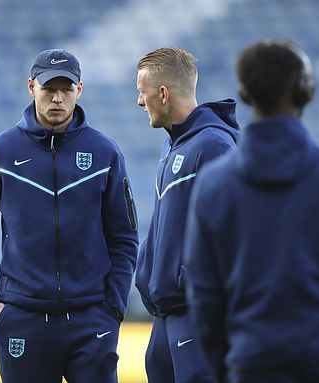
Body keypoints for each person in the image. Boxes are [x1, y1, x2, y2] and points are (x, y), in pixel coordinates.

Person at [183, 40, 319, 382]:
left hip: (250, 363)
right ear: (305, 91)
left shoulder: (214, 184)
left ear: (245, 94)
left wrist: (228, 368)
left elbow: (205, 295)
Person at [0, 48, 138, 383]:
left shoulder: (105, 153)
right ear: (31, 87)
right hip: (21, 319)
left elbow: (125, 237)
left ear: (79, 90)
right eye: (48, 88)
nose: (58, 98)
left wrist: (113, 307)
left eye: (66, 89)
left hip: (92, 320)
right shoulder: (0, 151)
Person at [134, 46, 240, 383]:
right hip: (165, 318)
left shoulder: (214, 146)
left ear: (163, 94)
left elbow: (231, 236)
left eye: (143, 92)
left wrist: (190, 285)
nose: (140, 102)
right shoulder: (173, 146)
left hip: (195, 317)